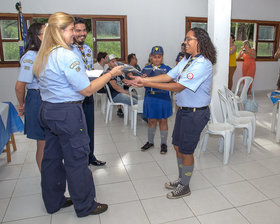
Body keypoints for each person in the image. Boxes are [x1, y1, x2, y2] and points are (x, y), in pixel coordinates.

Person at [33, 12, 123, 217]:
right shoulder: (66, 55)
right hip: (67, 113)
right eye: (71, 29)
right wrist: (110, 74)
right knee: (77, 160)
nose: (75, 33)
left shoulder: (44, 52)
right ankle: (85, 205)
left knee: (51, 159)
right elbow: (87, 90)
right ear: (60, 30)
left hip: (48, 110)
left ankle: (53, 201)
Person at [125, 28, 216, 199]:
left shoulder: (203, 64)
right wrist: (143, 80)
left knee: (186, 151)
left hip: (196, 114)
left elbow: (177, 86)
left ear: (199, 41)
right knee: (177, 146)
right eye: (185, 39)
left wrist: (145, 83)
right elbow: (168, 76)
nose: (185, 42)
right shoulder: (188, 60)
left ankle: (185, 186)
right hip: (183, 110)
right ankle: (182, 179)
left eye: (189, 39)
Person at [72, 17, 105, 166]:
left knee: (89, 128)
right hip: (75, 97)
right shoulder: (67, 50)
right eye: (78, 30)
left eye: (84, 30)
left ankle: (90, 156)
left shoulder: (87, 49)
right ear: (72, 31)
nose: (82, 33)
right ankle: (79, 159)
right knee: (77, 130)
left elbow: (88, 69)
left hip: (88, 94)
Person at [15, 23, 46, 171]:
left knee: (50, 141)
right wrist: (23, 105)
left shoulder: (45, 53)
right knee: (43, 142)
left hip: (47, 98)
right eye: (45, 33)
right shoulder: (30, 56)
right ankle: (46, 179)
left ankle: (51, 176)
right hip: (37, 98)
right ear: (37, 36)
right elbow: (20, 85)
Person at [140, 46, 172, 154]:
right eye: (154, 57)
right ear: (151, 57)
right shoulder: (145, 69)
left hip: (163, 97)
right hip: (150, 97)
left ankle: (163, 143)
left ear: (162, 57)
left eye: (159, 57)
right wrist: (142, 79)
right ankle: (150, 141)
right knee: (151, 121)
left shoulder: (168, 69)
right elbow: (141, 84)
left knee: (163, 121)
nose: (157, 59)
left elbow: (173, 82)